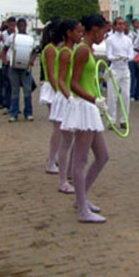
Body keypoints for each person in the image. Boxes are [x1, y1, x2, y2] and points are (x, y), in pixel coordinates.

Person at [60, 15, 110, 223]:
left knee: (103, 156)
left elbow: (83, 79)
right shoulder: (81, 50)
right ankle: (82, 208)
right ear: (95, 29)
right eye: (103, 31)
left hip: (89, 106)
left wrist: (100, 81)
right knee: (80, 160)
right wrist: (94, 99)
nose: (104, 36)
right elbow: (72, 83)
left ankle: (82, 198)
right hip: (84, 108)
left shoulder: (87, 50)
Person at [51, 19, 83, 195]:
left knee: (74, 140)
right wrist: (69, 97)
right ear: (69, 33)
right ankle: (63, 180)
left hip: (71, 97)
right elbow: (61, 79)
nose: (80, 35)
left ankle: (70, 174)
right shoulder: (65, 52)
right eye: (78, 32)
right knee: (66, 142)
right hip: (65, 99)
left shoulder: (72, 51)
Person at [39, 19, 63, 174]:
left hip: (55, 88)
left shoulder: (54, 48)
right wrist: (59, 92)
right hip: (52, 89)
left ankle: (55, 158)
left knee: (60, 127)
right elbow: (51, 74)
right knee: (58, 128)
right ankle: (51, 160)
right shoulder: (50, 50)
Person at [3, 18, 37, 122]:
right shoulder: (11, 38)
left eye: (24, 25)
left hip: (26, 68)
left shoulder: (30, 38)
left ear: (26, 25)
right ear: (17, 26)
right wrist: (5, 60)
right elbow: (4, 50)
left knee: (27, 91)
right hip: (13, 67)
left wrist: (32, 60)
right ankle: (14, 113)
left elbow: (35, 51)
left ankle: (28, 113)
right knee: (15, 91)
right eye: (20, 25)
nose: (22, 26)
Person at [104, 17, 132, 129]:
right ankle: (111, 119)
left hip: (125, 69)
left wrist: (126, 58)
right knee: (112, 95)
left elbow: (131, 55)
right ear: (115, 26)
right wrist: (116, 58)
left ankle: (124, 119)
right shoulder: (110, 39)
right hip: (114, 69)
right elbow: (108, 55)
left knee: (126, 95)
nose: (121, 26)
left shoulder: (128, 40)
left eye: (123, 24)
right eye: (119, 24)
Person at [0, 17, 17, 113]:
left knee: (15, 85)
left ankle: (14, 105)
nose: (12, 27)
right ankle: (6, 104)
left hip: (15, 61)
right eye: (10, 25)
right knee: (6, 84)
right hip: (6, 61)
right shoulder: (4, 34)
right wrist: (1, 54)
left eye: (13, 25)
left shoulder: (17, 34)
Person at [128, 18, 139, 101]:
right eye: (135, 23)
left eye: (138, 23)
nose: (137, 25)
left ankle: (138, 93)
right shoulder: (130, 34)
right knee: (132, 77)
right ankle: (132, 93)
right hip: (132, 57)